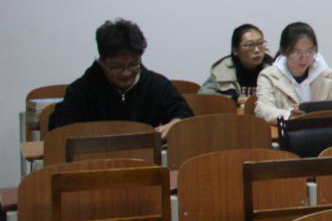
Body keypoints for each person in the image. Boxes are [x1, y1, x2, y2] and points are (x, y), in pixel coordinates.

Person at [49, 18, 192, 138]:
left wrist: (175, 124)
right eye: (116, 67)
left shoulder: (156, 85)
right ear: (102, 62)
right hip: (95, 159)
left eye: (133, 64)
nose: (126, 73)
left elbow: (184, 113)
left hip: (146, 159)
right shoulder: (81, 90)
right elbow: (60, 127)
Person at [254, 22, 332, 122]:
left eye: (309, 51)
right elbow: (262, 110)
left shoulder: (326, 74)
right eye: (296, 52)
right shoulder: (269, 76)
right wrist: (289, 115)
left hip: (323, 131)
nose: (304, 58)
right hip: (289, 133)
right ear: (284, 51)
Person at [200, 23, 273, 101]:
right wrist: (235, 100)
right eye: (250, 45)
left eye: (260, 43)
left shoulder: (274, 69)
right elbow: (203, 96)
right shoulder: (222, 70)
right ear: (235, 50)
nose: (257, 50)